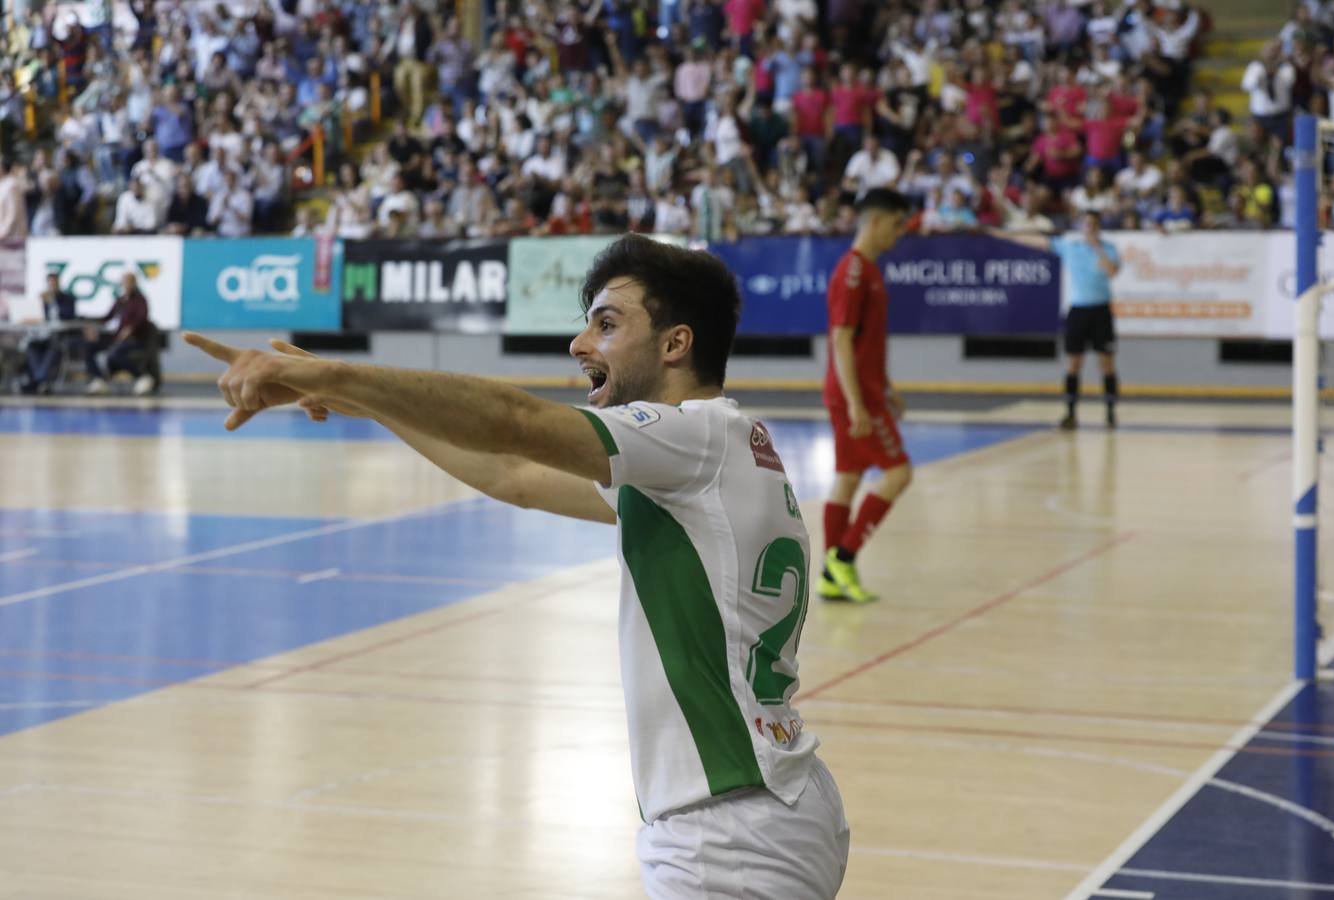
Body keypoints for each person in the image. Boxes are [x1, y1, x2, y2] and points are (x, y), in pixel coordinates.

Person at [183, 234, 850, 899]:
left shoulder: (689, 437)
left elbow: (512, 422)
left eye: (607, 323)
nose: (580, 344)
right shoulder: (709, 451)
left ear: (676, 344)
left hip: (727, 834)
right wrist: (370, 402)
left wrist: (333, 375)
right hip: (774, 805)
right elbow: (514, 474)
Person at [819, 189, 916, 605]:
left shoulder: (870, 270)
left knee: (849, 477)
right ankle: (845, 554)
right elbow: (840, 340)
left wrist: (888, 385)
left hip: (862, 390)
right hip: (855, 395)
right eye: (897, 224)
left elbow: (865, 343)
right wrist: (859, 403)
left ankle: (828, 573)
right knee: (899, 474)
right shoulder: (853, 273)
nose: (900, 233)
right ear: (875, 222)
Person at [992, 211, 1122, 429]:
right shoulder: (1070, 246)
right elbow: (1039, 242)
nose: (1089, 228)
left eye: (1093, 224)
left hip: (1101, 311)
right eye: (1086, 224)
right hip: (1078, 310)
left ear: (1098, 227)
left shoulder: (1108, 249)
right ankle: (1070, 413)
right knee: (1074, 363)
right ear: (1081, 226)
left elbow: (1112, 271)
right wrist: (1006, 235)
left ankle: (1110, 412)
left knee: (1106, 363)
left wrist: (1096, 247)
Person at [83, 272, 158, 396]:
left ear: (134, 283)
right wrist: (90, 323)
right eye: (124, 282)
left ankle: (142, 376)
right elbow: (107, 317)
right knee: (89, 347)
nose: (126, 285)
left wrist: (130, 329)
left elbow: (142, 318)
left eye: (129, 282)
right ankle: (100, 380)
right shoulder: (121, 300)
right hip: (117, 338)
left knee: (113, 354)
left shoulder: (140, 300)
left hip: (135, 339)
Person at [21, 271, 79, 394]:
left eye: (54, 283)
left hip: (59, 336)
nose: (52, 286)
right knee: (31, 347)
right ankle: (41, 379)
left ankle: (38, 380)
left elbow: (69, 316)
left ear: (59, 283)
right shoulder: (42, 300)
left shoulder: (68, 299)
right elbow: (36, 317)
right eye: (50, 283)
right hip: (41, 335)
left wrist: (53, 302)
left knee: (53, 347)